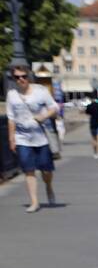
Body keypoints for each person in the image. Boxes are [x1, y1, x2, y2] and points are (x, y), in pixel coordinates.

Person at [6, 65, 60, 213]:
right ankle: (34, 202)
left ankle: (48, 186)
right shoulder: (12, 95)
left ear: (29, 76)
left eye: (23, 76)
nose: (21, 79)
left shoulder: (40, 92)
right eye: (17, 77)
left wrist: (44, 116)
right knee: (28, 170)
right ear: (13, 79)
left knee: (46, 169)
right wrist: (11, 138)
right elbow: (11, 118)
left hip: (41, 137)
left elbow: (55, 107)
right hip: (22, 138)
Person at [85, 90, 98, 159]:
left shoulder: (90, 105)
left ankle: (95, 153)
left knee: (94, 139)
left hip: (92, 123)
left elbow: (87, 113)